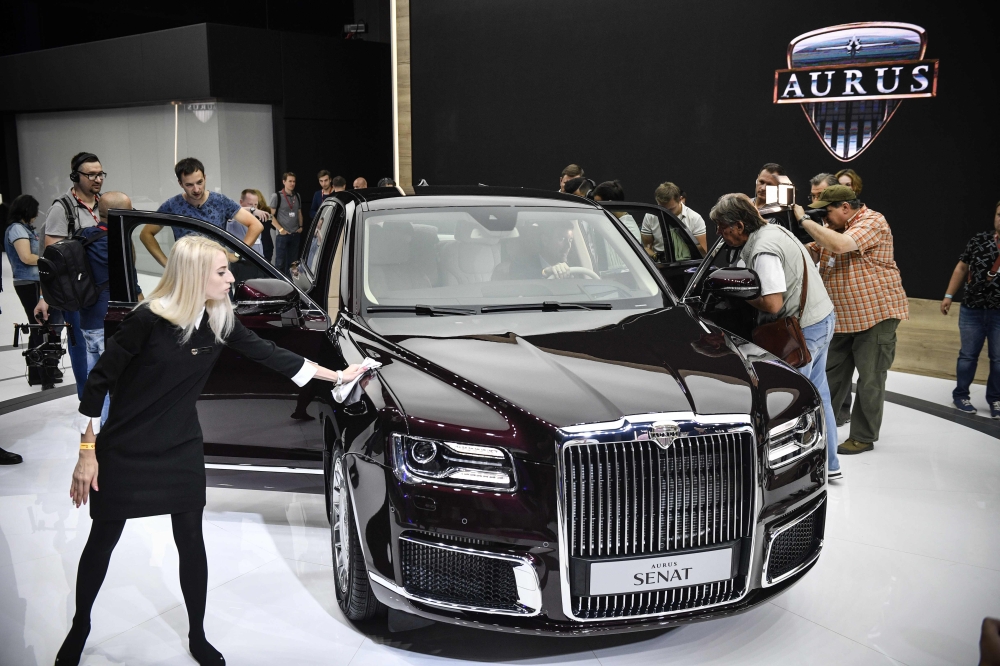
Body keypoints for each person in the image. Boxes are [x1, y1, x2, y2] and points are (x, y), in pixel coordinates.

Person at [56, 235, 367, 666]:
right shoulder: (148, 319)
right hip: (126, 447)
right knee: (102, 541)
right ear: (195, 276)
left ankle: (197, 635)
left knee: (191, 543)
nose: (230, 278)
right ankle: (81, 625)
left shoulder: (219, 319)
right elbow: (98, 382)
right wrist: (87, 452)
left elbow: (273, 355)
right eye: (221, 271)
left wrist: (337, 376)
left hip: (181, 445)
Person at [710, 193, 842, 480]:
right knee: (821, 396)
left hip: (802, 330)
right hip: (821, 319)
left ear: (740, 226)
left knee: (792, 403)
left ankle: (797, 475)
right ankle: (831, 465)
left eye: (722, 227)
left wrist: (740, 296)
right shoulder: (774, 229)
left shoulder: (763, 249)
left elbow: (772, 304)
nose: (719, 233)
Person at [800, 185, 909, 456]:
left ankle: (863, 436)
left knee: (870, 380)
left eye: (827, 212)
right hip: (842, 319)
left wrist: (804, 220)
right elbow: (810, 251)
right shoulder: (832, 229)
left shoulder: (873, 220)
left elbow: (840, 246)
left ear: (846, 207)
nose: (823, 219)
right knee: (831, 379)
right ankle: (824, 430)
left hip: (875, 316)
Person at [36, 152, 105, 398]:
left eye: (100, 174)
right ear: (76, 176)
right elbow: (51, 259)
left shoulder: (104, 203)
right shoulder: (62, 208)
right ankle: (87, 404)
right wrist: (45, 296)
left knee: (104, 346)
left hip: (102, 289)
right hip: (77, 292)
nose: (98, 179)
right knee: (82, 348)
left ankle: (106, 403)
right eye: (91, 175)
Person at [142, 158, 263, 267]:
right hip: (187, 272)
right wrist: (167, 264)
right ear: (180, 183)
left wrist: (237, 255)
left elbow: (256, 225)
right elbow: (146, 234)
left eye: (199, 182)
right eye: (189, 185)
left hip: (217, 269)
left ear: (205, 178)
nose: (196, 189)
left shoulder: (220, 201)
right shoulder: (172, 205)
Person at [941, 201, 1000, 417]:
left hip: (999, 312)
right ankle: (961, 396)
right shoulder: (979, 240)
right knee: (967, 355)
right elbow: (962, 267)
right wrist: (948, 295)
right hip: (972, 308)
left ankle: (996, 399)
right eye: (999, 214)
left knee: (999, 358)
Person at [4, 194, 43, 349]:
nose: (37, 214)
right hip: (28, 282)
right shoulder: (17, 229)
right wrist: (49, 261)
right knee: (39, 324)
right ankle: (41, 369)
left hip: (33, 281)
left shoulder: (25, 229)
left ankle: (38, 371)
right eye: (35, 210)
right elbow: (26, 257)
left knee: (38, 324)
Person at [641, 181, 708, 255]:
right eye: (662, 208)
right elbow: (647, 248)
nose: (666, 212)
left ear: (680, 199)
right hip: (658, 264)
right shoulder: (650, 216)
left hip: (688, 264)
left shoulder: (695, 218)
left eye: (670, 209)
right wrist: (655, 259)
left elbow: (702, 254)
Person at [507, 220, 576, 280]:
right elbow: (520, 281)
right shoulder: (520, 264)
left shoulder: (574, 267)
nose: (568, 246)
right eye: (561, 239)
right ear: (545, 240)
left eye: (570, 240)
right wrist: (545, 272)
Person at [268, 172, 304, 277]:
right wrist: (280, 229)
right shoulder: (276, 196)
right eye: (290, 181)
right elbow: (271, 215)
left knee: (293, 263)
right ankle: (278, 284)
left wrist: (301, 227)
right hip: (283, 235)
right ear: (284, 182)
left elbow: (299, 212)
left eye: (294, 181)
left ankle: (292, 286)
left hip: (295, 233)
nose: (292, 183)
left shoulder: (297, 196)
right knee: (280, 262)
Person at [226, 189, 267, 256]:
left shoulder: (255, 219)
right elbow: (230, 211)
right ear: (241, 202)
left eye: (255, 204)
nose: (254, 207)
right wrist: (252, 210)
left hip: (257, 260)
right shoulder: (234, 217)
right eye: (250, 204)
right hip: (241, 260)